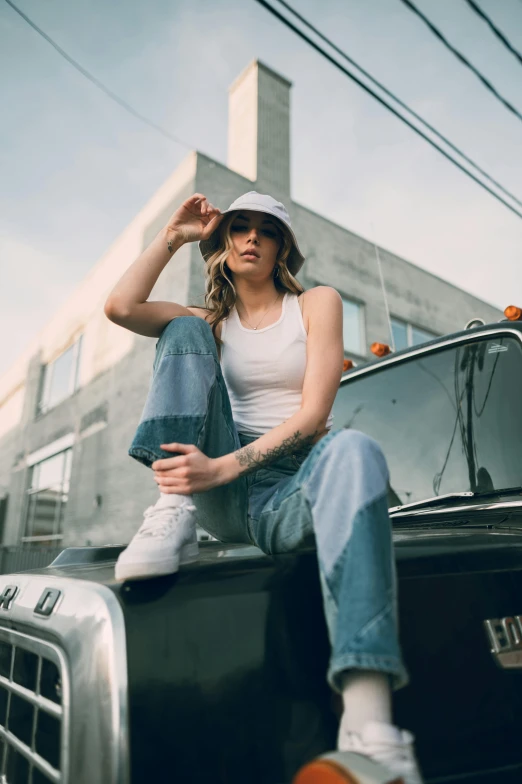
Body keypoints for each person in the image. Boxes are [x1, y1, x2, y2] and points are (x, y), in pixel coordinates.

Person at [104, 190, 423, 784]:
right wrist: (173, 237)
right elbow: (121, 307)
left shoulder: (317, 304)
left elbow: (313, 414)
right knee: (183, 330)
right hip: (212, 482)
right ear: (222, 245)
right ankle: (171, 509)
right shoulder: (210, 325)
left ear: (282, 248)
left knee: (353, 447)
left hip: (286, 482)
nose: (251, 238)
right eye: (239, 228)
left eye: (266, 230)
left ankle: (369, 723)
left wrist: (223, 469)